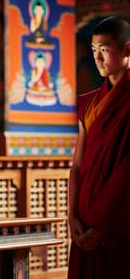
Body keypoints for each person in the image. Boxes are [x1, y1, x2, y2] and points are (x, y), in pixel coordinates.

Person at [68, 16, 130, 278]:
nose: (97, 58)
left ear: (127, 50)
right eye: (94, 50)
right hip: (84, 226)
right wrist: (72, 217)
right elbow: (78, 165)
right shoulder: (88, 103)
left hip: (119, 227)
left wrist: (104, 224)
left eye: (104, 49)